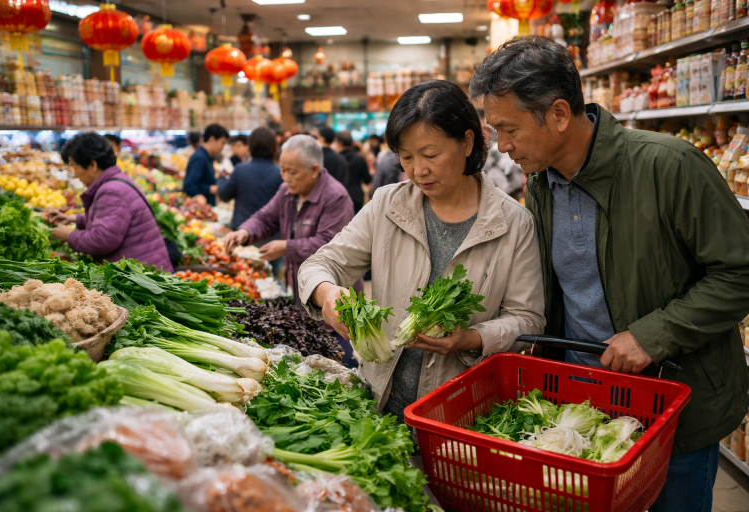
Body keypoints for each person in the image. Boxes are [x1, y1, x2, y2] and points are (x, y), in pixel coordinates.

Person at [470, 35, 749, 512]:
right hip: (583, 403)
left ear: (559, 115)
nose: (502, 145)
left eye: (508, 128)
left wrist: (651, 335)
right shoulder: (540, 185)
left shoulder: (670, 166)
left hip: (674, 404)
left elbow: (740, 271)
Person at [296, 80, 546, 424]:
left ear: (467, 142)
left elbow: (527, 319)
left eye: (430, 155)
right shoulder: (387, 204)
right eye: (406, 157)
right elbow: (321, 264)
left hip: (460, 412)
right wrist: (327, 293)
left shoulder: (513, 224)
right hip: (377, 403)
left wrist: (470, 338)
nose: (418, 170)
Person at [223, 135, 359, 306]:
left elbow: (327, 244)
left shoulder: (336, 197)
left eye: (292, 172)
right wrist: (244, 232)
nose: (286, 177)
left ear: (314, 170)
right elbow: (266, 218)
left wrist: (285, 247)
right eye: (282, 170)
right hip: (299, 287)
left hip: (332, 294)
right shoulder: (287, 191)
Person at [47, 133, 172, 272]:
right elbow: (114, 221)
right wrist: (75, 220)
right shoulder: (117, 180)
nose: (75, 174)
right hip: (145, 270)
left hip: (142, 279)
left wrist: (69, 236)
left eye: (75, 167)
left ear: (93, 165)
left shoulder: (111, 191)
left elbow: (101, 241)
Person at [218, 127, 283, 231]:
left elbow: (224, 195)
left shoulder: (240, 169)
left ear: (250, 146)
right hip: (271, 234)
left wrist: (222, 177)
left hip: (242, 231)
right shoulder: (281, 173)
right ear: (274, 147)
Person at [183, 124, 228, 206]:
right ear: (212, 139)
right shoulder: (200, 158)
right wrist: (209, 189)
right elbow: (189, 185)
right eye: (222, 143)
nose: (223, 147)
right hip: (201, 209)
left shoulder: (207, 156)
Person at [336, 130, 372, 213]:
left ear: (340, 143)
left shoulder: (336, 159)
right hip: (357, 196)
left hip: (339, 196)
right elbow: (367, 179)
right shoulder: (359, 158)